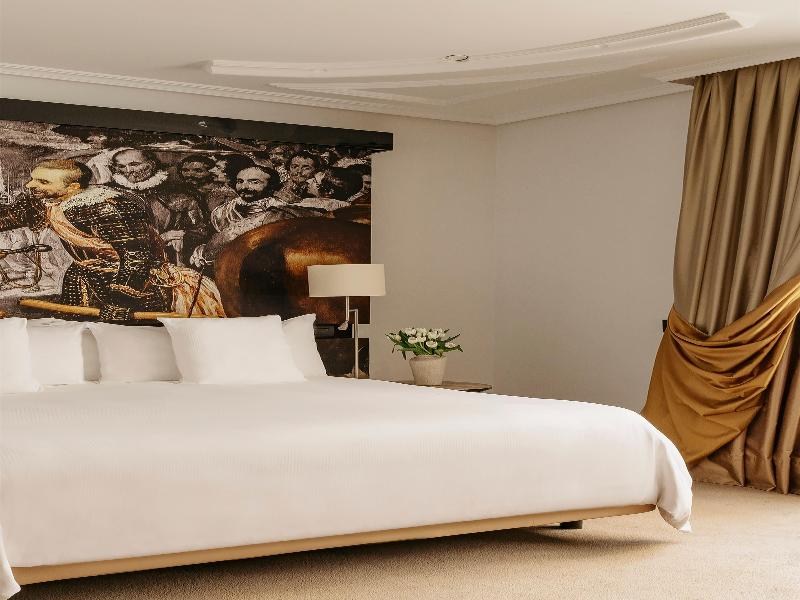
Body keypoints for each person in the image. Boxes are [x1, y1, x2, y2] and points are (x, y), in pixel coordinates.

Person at [0, 159, 224, 320]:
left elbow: (136, 257)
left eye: (42, 181)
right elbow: (6, 219)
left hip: (134, 284)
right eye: (33, 179)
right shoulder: (44, 200)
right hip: (82, 279)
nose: (30, 186)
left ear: (73, 188)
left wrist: (120, 303)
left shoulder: (109, 207)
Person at [192, 165, 324, 267]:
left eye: (254, 182)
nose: (244, 187)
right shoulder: (221, 211)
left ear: (271, 186)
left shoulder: (281, 210)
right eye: (240, 181)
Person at [109, 148, 207, 267]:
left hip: (172, 263)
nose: (128, 170)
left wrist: (183, 235)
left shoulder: (178, 194)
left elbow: (201, 231)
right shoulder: (109, 195)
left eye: (134, 164)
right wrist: (161, 238)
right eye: (122, 166)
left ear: (151, 165)